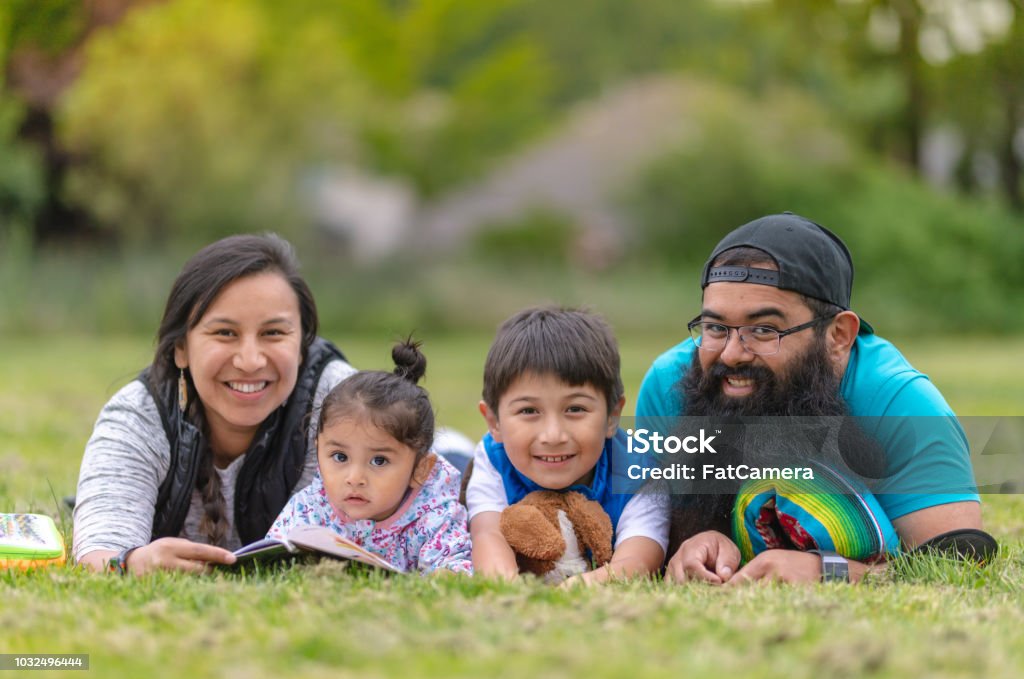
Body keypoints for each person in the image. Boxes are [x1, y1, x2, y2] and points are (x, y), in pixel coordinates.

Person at [636, 212, 984, 584]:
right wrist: (690, 544)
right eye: (715, 328)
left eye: (764, 330)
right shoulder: (668, 385)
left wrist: (829, 571)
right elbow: (644, 532)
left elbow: (956, 565)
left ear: (838, 336)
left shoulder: (901, 403)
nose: (731, 354)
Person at [73, 234, 358, 574]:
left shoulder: (343, 403)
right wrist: (134, 562)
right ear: (181, 347)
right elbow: (100, 550)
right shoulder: (139, 415)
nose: (250, 361)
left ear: (301, 346)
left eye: (273, 333)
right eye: (225, 333)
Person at [466, 306, 668, 584]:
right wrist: (507, 586)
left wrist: (586, 585)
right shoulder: (492, 459)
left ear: (612, 416)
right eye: (528, 411)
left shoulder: (640, 470)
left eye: (574, 408)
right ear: (494, 422)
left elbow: (641, 555)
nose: (553, 435)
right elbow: (487, 534)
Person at [267, 339, 472, 575]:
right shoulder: (311, 506)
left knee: (461, 459)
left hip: (457, 461)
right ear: (318, 451)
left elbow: (455, 565)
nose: (355, 478)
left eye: (379, 461)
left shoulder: (435, 513)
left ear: (420, 469)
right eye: (340, 457)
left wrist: (445, 574)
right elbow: (273, 556)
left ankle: (457, 445)